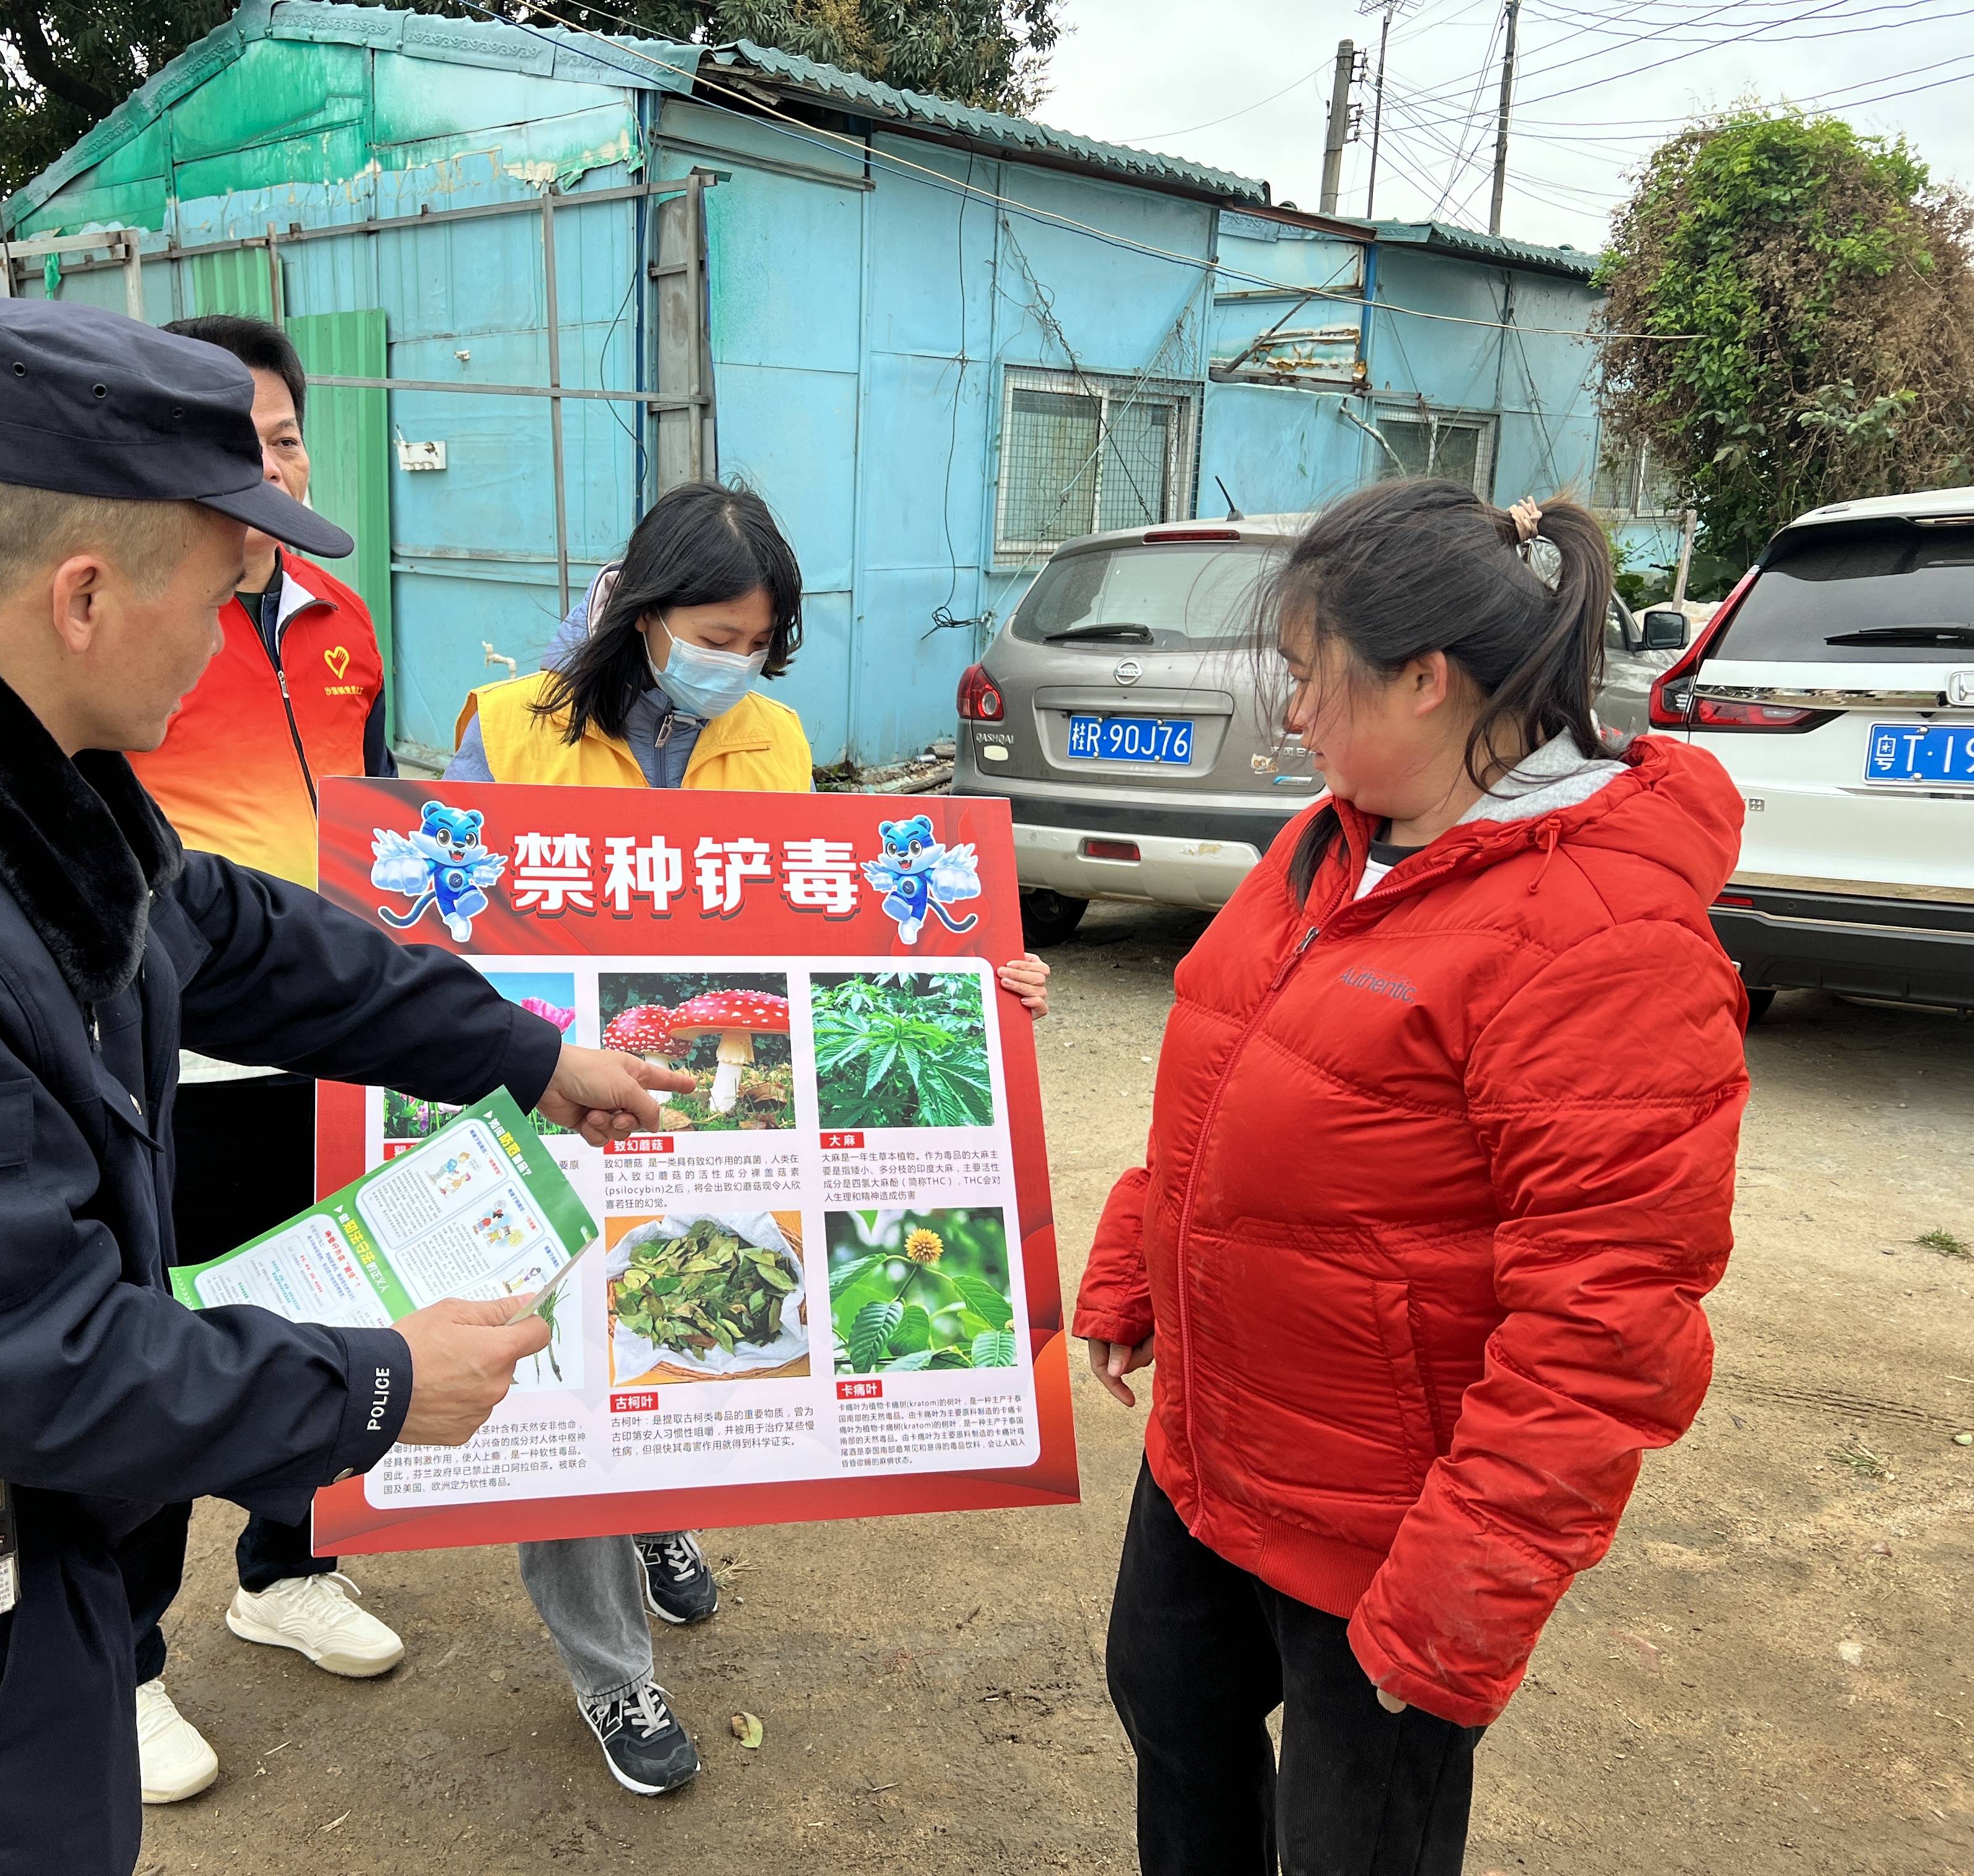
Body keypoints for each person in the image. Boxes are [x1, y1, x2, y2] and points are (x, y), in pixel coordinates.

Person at [0, 296, 689, 1876]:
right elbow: (18, 1360)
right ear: (85, 594)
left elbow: (243, 939)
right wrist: (379, 1384)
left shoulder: (10, 775)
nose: (233, 629)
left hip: (1, 1547)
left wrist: (529, 1054)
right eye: (219, 584)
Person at [1076, 481, 1749, 1874]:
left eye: (1312, 679)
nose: (1297, 715)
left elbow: (1608, 1318)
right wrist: (1142, 1252)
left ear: (1430, 681)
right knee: (1172, 1712)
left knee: (1354, 1841)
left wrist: (1460, 1599)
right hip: (1219, 1446)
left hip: (1391, 1522)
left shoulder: (1602, 934)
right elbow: (1223, 1064)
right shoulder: (1334, 837)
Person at [449, 480, 1052, 1797]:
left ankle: (656, 1512)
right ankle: (614, 1678)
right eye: (713, 635)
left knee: (681, 1308)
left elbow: (830, 928)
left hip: (710, 1094)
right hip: (551, 1094)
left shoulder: (772, 739)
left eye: (756, 643)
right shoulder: (506, 733)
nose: (734, 665)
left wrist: (976, 976)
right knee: (573, 1360)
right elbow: (436, 927)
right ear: (642, 612)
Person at [114, 313, 403, 1805]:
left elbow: (381, 811)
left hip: (328, 1049)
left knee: (325, 1314)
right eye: (240, 445)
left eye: (284, 438)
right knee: (169, 1342)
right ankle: (128, 1657)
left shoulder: (341, 616)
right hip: (178, 1062)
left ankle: (287, 1566)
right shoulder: (139, 620)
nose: (269, 466)